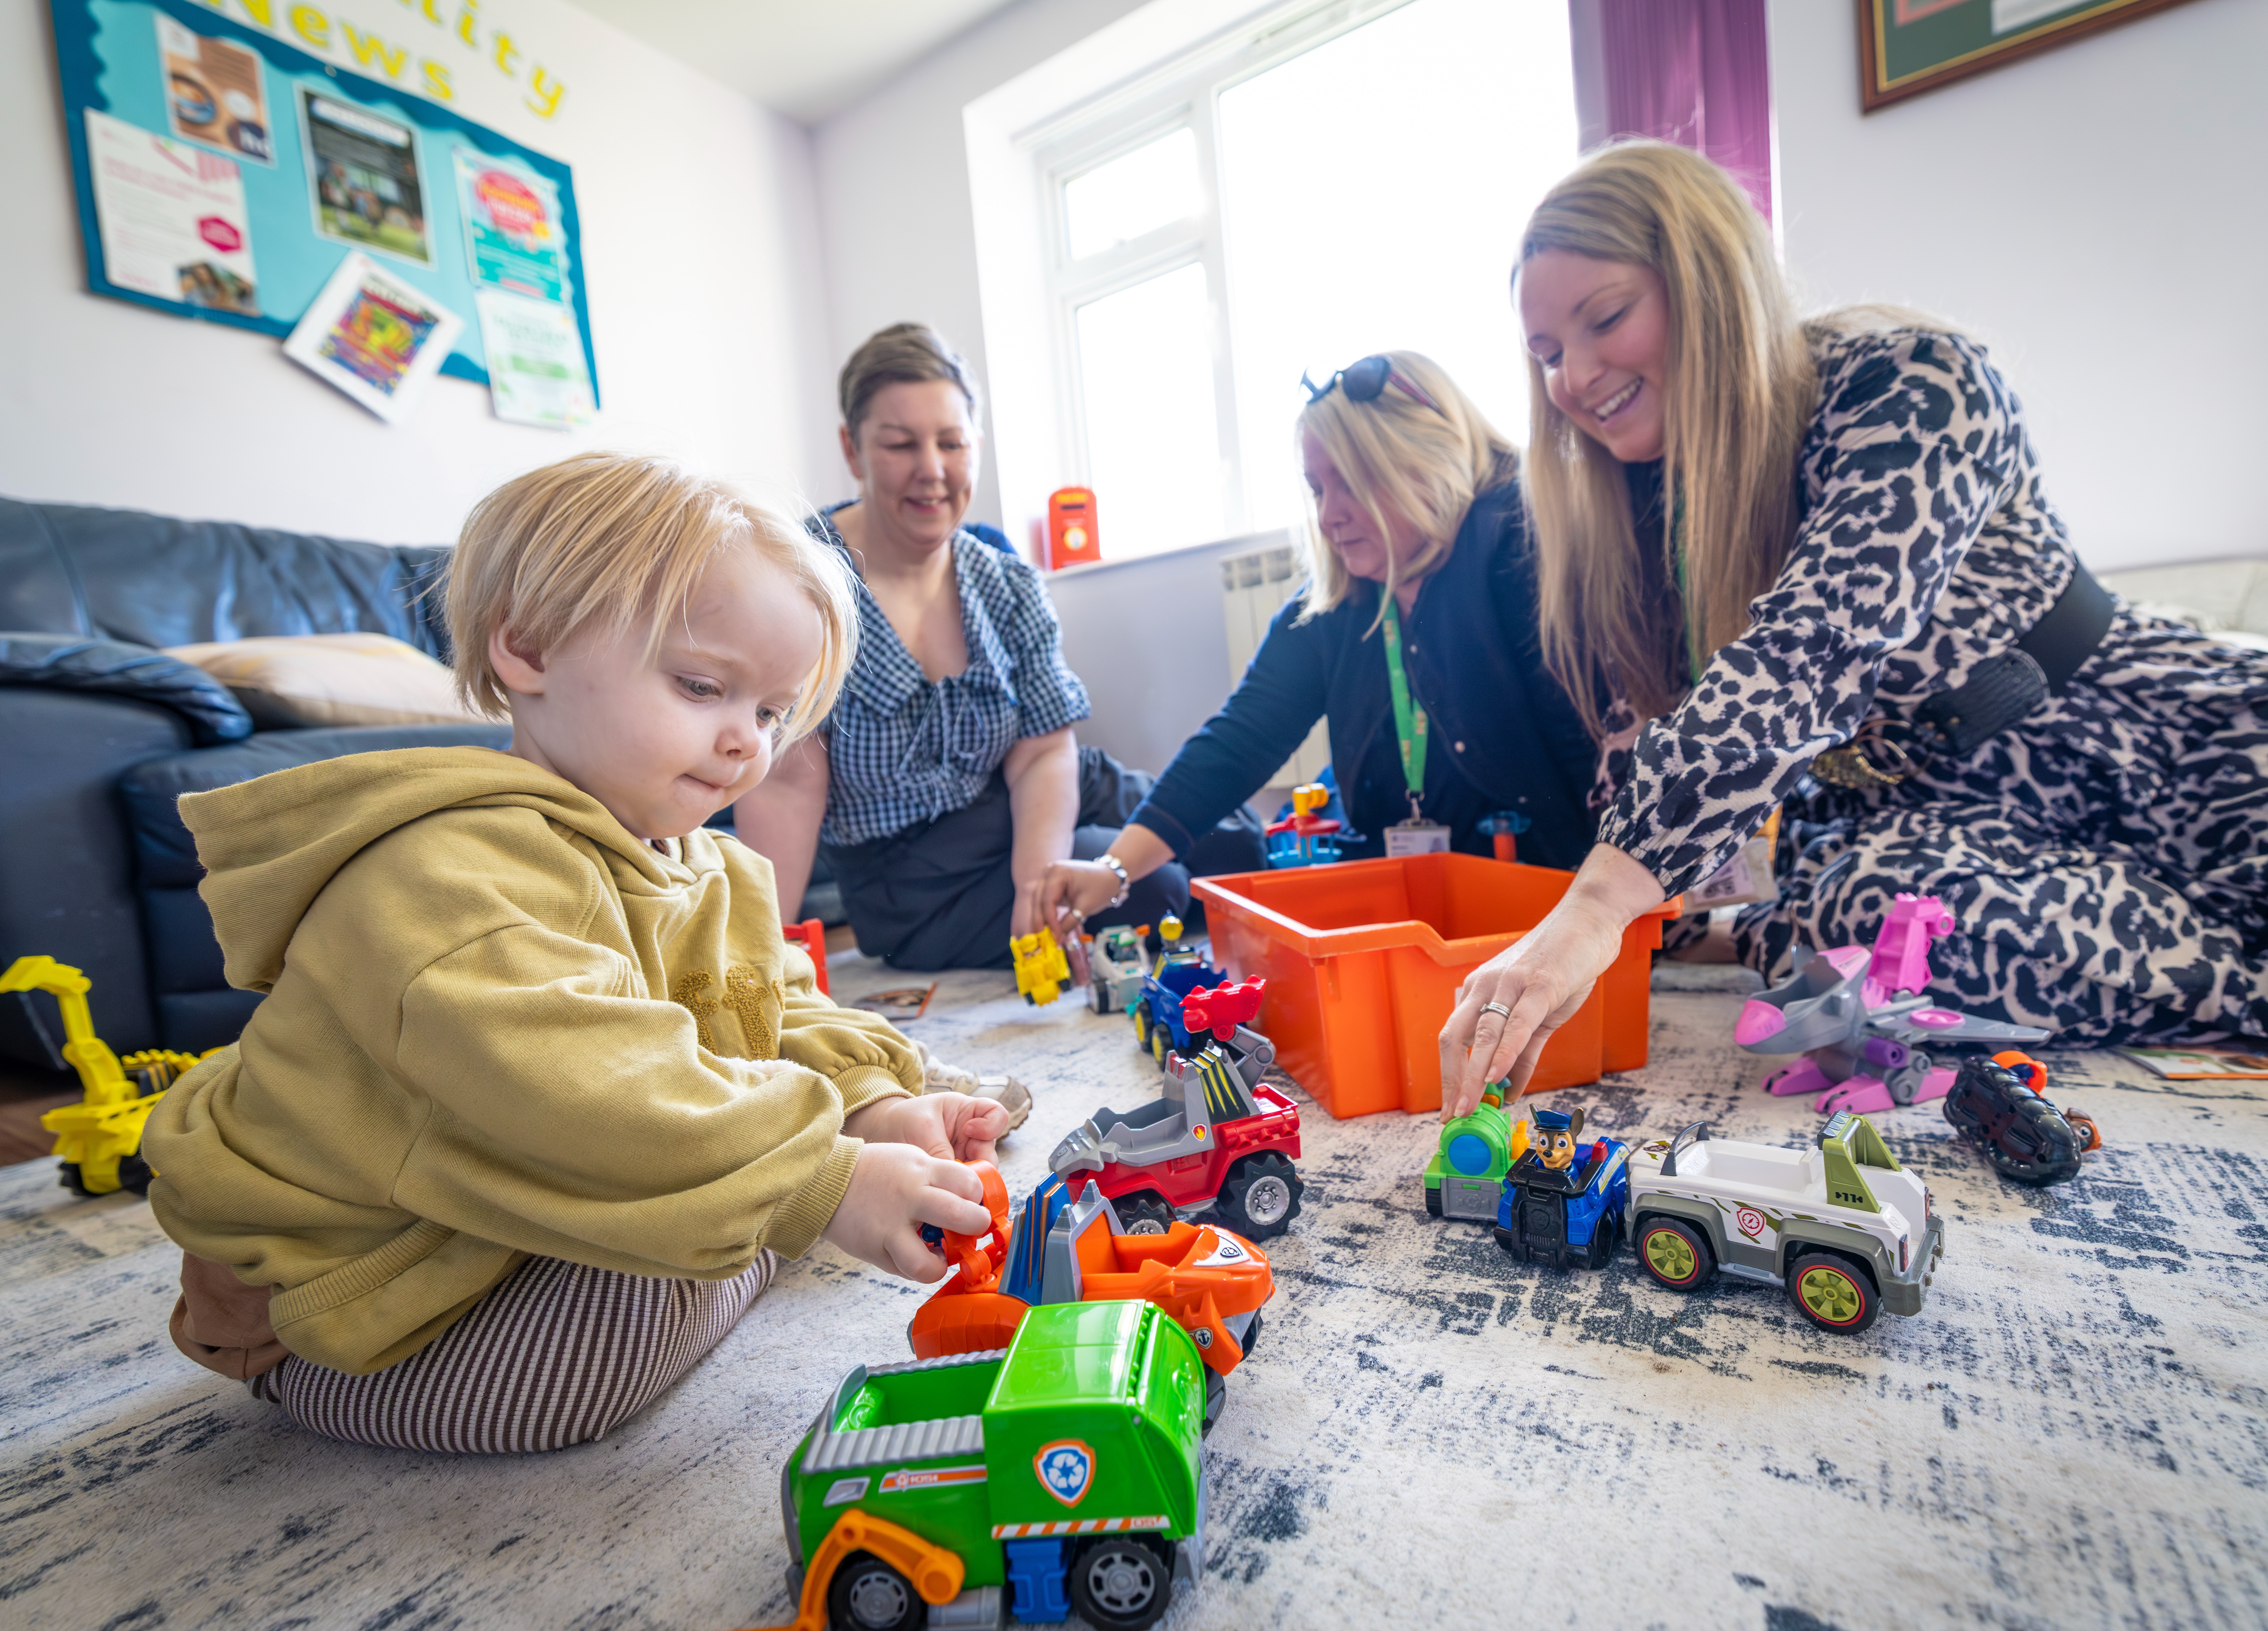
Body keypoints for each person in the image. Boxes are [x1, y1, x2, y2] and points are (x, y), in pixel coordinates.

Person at [1441, 141, 2268, 1113]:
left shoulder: (1909, 382)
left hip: (2145, 749)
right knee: (1857, 937)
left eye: (1604, 318)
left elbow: (1817, 646)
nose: (1572, 376)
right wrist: (1611, 911)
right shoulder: (1635, 518)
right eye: (1544, 355)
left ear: (1707, 280)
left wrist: (1600, 904)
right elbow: (1639, 747)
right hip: (1916, 826)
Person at [142, 453, 1007, 1453]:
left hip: (504, 1197)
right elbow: (589, 1085)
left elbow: (769, 1009)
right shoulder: (440, 876)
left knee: (725, 1202)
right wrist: (820, 1177)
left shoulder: (705, 864)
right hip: (355, 1288)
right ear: (529, 647)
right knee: (604, 1349)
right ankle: (311, 1389)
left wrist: (874, 1102)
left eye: (769, 712)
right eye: (701, 686)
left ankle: (754, 1202)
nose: (746, 744)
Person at [735, 323, 1258, 969]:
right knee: (1155, 885)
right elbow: (784, 786)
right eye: (900, 444)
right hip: (912, 874)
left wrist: (1034, 877)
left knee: (1238, 841)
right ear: (852, 449)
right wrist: (755, 958)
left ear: (975, 445)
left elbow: (1043, 750)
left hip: (1035, 793)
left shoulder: (1004, 578)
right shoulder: (801, 585)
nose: (932, 471)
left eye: (951, 443)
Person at [1031, 351, 1602, 932]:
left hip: (1546, 895)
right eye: (1316, 489)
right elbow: (1237, 742)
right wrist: (1114, 869)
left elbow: (1592, 759)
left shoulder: (1520, 552)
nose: (1329, 515)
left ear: (1427, 463)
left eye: (1351, 483)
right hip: (1409, 897)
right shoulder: (1337, 602)